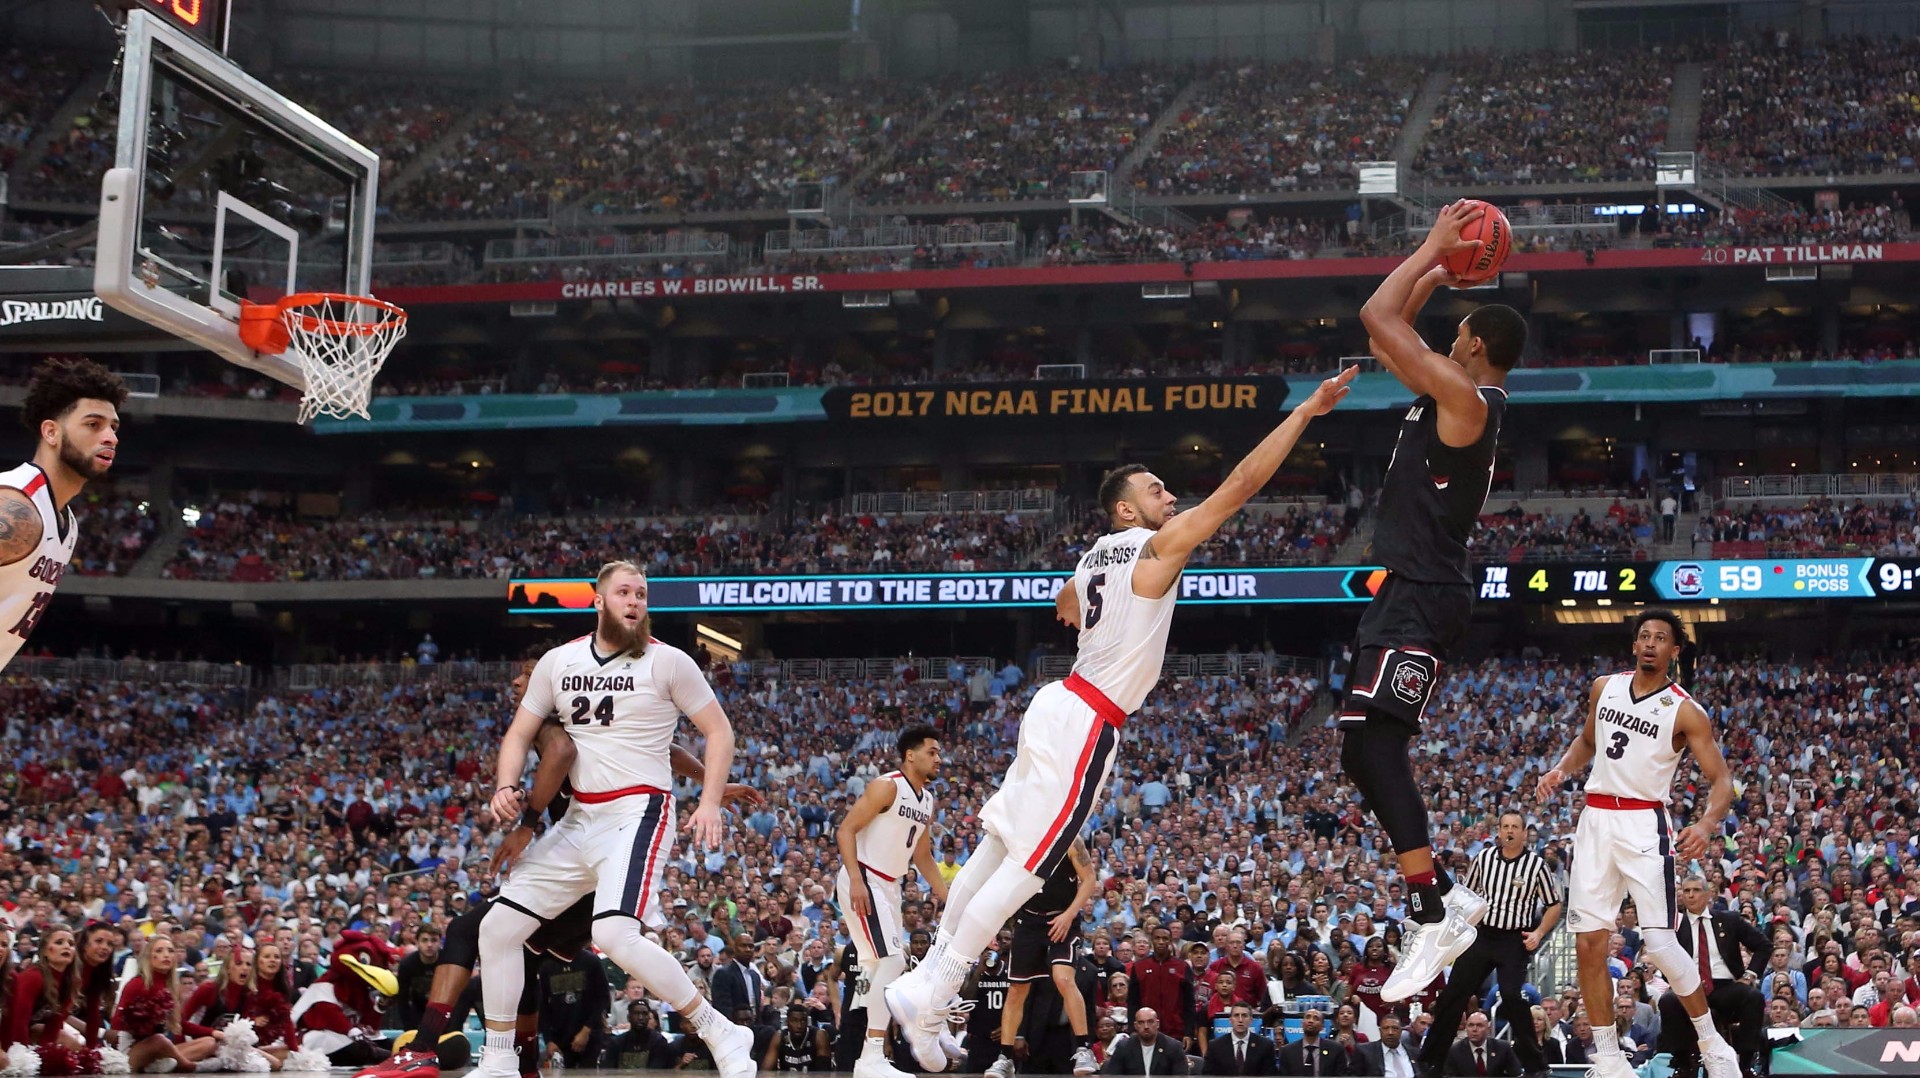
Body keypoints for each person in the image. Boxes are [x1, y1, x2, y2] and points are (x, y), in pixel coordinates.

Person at [885, 368, 1358, 1070]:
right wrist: (1308, 413)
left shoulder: (1093, 553)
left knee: (992, 853)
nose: (1171, 496)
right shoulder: (1154, 547)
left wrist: (1078, 603)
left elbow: (1065, 600)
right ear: (1128, 513)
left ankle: (928, 995)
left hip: (1056, 702)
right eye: (1156, 490)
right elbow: (1241, 489)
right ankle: (936, 988)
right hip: (1087, 718)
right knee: (1026, 868)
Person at [359, 654, 761, 1078]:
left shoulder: (554, 721)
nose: (517, 682)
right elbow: (667, 748)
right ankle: (506, 1062)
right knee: (505, 936)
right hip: (576, 842)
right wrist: (706, 779)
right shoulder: (575, 713)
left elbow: (562, 751)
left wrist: (526, 824)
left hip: (615, 841)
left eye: (527, 674)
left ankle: (439, 1050)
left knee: (535, 936)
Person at [474, 561, 755, 1078]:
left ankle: (718, 1028)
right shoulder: (558, 662)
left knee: (616, 933)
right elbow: (518, 734)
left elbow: (719, 731)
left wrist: (710, 798)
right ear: (599, 601)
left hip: (640, 809)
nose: (635, 601)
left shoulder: (668, 662)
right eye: (624, 592)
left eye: (642, 594)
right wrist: (505, 787)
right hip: (581, 817)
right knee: (496, 929)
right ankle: (497, 1059)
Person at [1350, 202, 1530, 1001]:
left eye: (1460, 334)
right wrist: (1435, 273)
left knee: (1373, 748)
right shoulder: (1452, 395)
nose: (1449, 340)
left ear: (1477, 348)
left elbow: (1374, 316)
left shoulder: (1466, 401)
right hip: (1415, 592)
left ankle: (1436, 910)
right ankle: (1438, 900)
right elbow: (1386, 330)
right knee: (1361, 747)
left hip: (1424, 593)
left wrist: (1431, 254)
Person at [1535, 609, 1743, 1078]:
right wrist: (1561, 769)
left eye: (1660, 638)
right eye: (1643, 636)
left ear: (1674, 650)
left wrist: (1707, 825)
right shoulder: (1603, 687)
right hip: (1595, 822)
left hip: (1644, 823)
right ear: (1634, 645)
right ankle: (1609, 1058)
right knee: (1588, 942)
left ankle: (1711, 1042)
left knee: (1661, 942)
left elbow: (1721, 780)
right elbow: (1588, 740)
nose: (1650, 643)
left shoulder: (1686, 710)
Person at [835, 724, 949, 1078]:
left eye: (939, 753)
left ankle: (870, 1055)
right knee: (892, 960)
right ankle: (870, 1057)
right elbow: (845, 830)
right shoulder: (887, 785)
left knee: (877, 968)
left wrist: (947, 895)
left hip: (889, 886)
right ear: (910, 755)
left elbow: (924, 855)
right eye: (932, 752)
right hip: (865, 877)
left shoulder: (927, 799)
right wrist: (855, 878)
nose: (938, 759)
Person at [0, 358, 127, 671]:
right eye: (93, 424)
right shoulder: (17, 508)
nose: (111, 437)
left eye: (113, 427)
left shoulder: (66, 524)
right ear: (51, 432)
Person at [1417, 810, 1561, 1078]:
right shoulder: (1484, 858)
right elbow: (1468, 894)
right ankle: (1430, 1060)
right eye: (1505, 826)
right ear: (1498, 832)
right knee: (1453, 995)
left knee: (1511, 995)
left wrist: (1539, 933)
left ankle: (1536, 1066)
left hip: (1513, 939)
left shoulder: (1536, 866)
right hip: (1482, 935)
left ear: (1523, 832)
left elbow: (1554, 904)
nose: (1509, 831)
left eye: (1514, 827)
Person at [987, 837, 1101, 1078]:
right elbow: (1000, 885)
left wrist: (1070, 915)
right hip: (1028, 920)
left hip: (1062, 918)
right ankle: (1004, 1058)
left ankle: (1084, 1048)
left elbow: (1089, 879)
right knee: (1017, 990)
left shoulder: (1071, 839)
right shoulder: (1019, 840)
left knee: (1063, 978)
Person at [1659, 877, 1772, 1078]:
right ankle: (1683, 1065)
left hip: (1724, 986)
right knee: (1668, 1001)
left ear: (1708, 894)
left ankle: (1746, 1064)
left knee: (1753, 997)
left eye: (1695, 890)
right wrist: (1676, 981)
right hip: (1688, 986)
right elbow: (1662, 957)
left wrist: (1749, 975)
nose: (1691, 895)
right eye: (1686, 891)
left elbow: (1763, 946)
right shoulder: (1674, 925)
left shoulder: (1729, 920)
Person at [961, 933, 1014, 1074]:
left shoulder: (1011, 972)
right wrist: (978, 972)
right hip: (979, 1039)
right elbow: (966, 1002)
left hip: (1004, 1039)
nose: (989, 956)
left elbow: (1021, 1006)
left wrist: (1009, 1028)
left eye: (992, 952)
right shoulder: (973, 973)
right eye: (985, 951)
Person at [1101, 1007, 1187, 1075]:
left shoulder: (1173, 1047)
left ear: (1157, 1024)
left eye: (1150, 1022)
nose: (1146, 1026)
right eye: (1141, 1022)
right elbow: (1113, 1075)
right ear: (1135, 1025)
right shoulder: (1123, 1047)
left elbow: (1180, 1075)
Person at [1201, 1002, 1274, 1076]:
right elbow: (1207, 1075)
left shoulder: (1265, 1045)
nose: (1240, 1020)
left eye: (1244, 1016)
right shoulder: (1215, 1046)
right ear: (1230, 1020)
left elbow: (1270, 1074)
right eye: (1236, 1015)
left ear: (1251, 1020)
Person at [1439, 1011, 1519, 1077]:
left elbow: (1516, 1074)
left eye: (1479, 1025)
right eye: (1471, 1025)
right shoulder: (1455, 1050)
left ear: (1488, 1029)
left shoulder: (1503, 1048)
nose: (1474, 1029)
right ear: (1466, 1028)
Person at [1276, 1008, 1346, 1077]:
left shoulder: (1336, 1049)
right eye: (1308, 1017)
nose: (1311, 1021)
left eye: (1316, 1018)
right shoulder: (1287, 1051)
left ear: (1322, 1026)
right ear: (1302, 1023)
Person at [763, 1005, 831, 1072]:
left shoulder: (818, 1035)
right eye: (794, 1021)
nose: (799, 1025)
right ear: (787, 1022)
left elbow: (824, 1073)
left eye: (803, 1021)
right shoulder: (779, 1036)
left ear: (808, 1022)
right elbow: (765, 1071)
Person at [1353, 1014, 1414, 1078]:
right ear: (1380, 1031)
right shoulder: (1365, 1052)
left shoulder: (1414, 1053)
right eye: (1386, 1028)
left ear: (1401, 1031)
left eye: (1395, 1028)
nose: (1390, 1032)